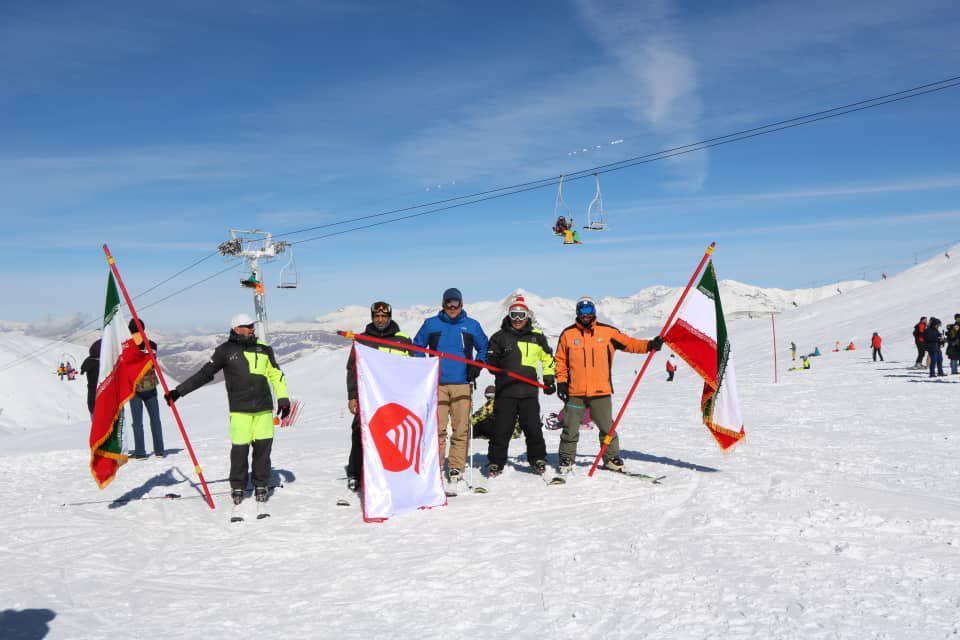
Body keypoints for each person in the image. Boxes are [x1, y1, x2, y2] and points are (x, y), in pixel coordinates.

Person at [164, 313, 290, 505]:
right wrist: (179, 392)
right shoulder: (225, 351)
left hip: (264, 409)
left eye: (252, 326)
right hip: (240, 410)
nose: (251, 329)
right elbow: (204, 374)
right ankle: (238, 486)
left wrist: (283, 398)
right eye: (248, 326)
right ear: (236, 328)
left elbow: (276, 374)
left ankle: (261, 484)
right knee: (239, 450)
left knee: (263, 449)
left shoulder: (265, 349)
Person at [554, 297, 661, 474]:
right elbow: (560, 360)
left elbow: (630, 344)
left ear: (594, 312)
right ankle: (566, 458)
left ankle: (610, 457)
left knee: (607, 427)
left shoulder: (607, 332)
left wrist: (649, 345)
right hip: (575, 391)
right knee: (570, 427)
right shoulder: (568, 334)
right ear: (577, 313)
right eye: (582, 311)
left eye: (589, 312)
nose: (585, 315)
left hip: (600, 390)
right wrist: (562, 382)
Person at [413, 288, 488, 485]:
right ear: (443, 304)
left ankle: (456, 466)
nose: (452, 308)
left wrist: (477, 366)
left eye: (456, 304)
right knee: (437, 429)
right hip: (437, 385)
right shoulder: (431, 324)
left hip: (463, 384)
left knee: (461, 428)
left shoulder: (471, 325)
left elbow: (484, 347)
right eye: (449, 303)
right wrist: (425, 367)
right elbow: (417, 346)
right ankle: (435, 465)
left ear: (462, 304)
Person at [344, 301, 415, 491]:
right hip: (368, 396)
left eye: (384, 316)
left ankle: (393, 470)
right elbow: (352, 369)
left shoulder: (403, 339)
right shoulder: (362, 340)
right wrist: (352, 396)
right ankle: (355, 473)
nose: (380, 319)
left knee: (392, 434)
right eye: (377, 316)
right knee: (360, 432)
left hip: (395, 397)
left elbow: (415, 367)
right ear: (372, 317)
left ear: (390, 316)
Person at [484, 298, 555, 477]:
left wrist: (548, 378)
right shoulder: (499, 337)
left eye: (521, 315)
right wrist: (497, 364)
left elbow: (547, 358)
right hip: (506, 391)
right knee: (502, 429)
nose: (517, 319)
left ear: (527, 316)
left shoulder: (536, 336)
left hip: (529, 392)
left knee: (533, 428)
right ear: (508, 316)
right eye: (513, 315)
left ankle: (537, 458)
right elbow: (490, 360)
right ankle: (495, 462)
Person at [126, 319, 165, 459]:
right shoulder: (151, 345)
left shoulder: (126, 347)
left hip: (134, 387)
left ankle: (140, 452)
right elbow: (152, 362)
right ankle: (159, 451)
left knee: (137, 422)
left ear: (129, 329)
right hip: (150, 385)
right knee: (155, 419)